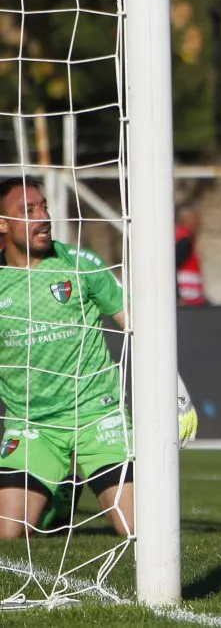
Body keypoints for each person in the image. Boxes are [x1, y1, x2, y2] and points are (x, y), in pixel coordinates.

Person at [0, 177, 199, 538]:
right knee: (8, 533)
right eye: (27, 211)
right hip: (33, 424)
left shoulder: (81, 264)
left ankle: (70, 479)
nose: (43, 217)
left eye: (44, 206)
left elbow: (139, 327)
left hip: (96, 415)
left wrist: (176, 388)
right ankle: (60, 493)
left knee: (139, 529)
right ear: (2, 223)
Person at [175, 201, 209, 306]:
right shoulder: (184, 242)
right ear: (187, 220)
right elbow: (170, 268)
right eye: (196, 218)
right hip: (188, 302)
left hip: (192, 300)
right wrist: (177, 297)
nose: (200, 223)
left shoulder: (181, 239)